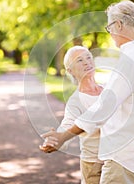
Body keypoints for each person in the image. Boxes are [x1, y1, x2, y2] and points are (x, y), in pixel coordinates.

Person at [40, 0, 134, 184]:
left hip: (125, 160)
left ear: (118, 25)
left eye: (109, 27)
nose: (111, 34)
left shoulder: (129, 62)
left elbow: (101, 110)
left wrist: (62, 137)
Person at [40, 46, 108, 184]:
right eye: (79, 60)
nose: (86, 62)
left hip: (116, 160)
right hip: (93, 163)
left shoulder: (108, 89)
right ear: (70, 71)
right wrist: (56, 140)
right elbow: (68, 124)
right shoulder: (75, 101)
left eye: (89, 57)